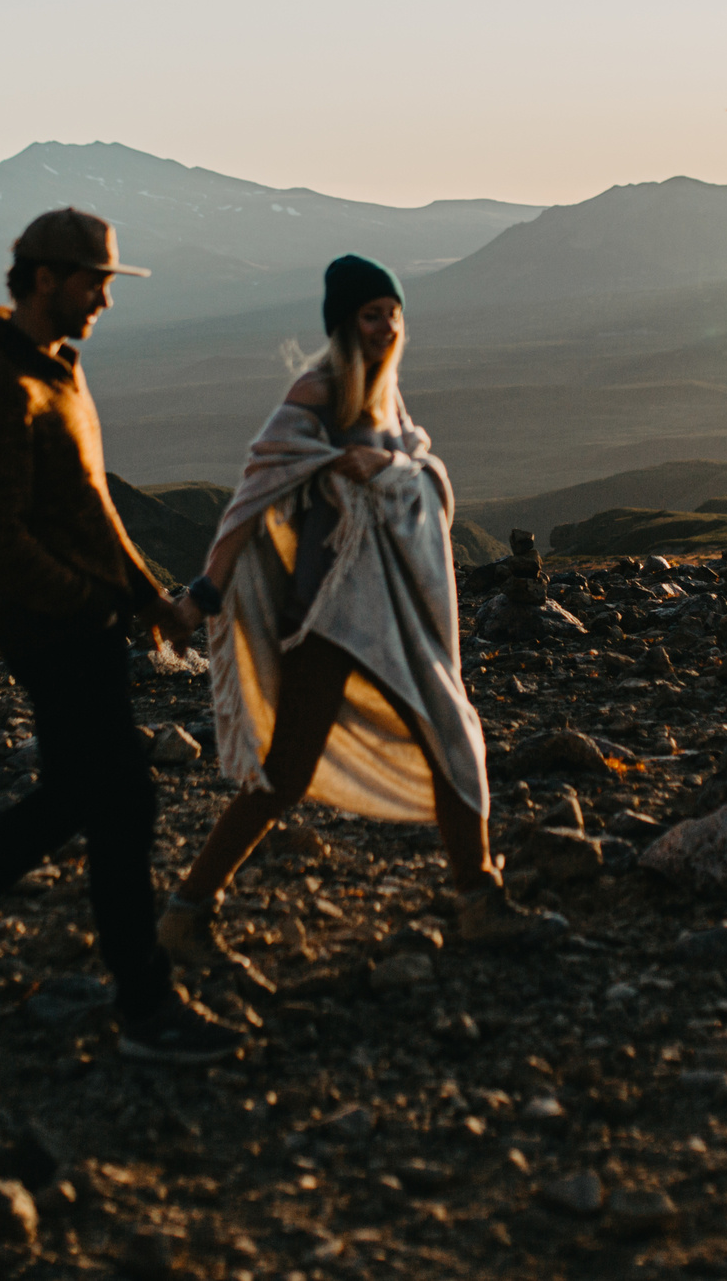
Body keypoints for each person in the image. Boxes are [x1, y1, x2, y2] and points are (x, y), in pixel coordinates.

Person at [0, 208, 242, 1065]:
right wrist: (93, 605)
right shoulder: (4, 387)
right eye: (94, 281)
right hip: (55, 634)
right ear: (45, 280)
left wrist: (151, 600)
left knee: (80, 797)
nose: (106, 298)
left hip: (84, 625)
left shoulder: (58, 372)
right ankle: (145, 1009)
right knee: (121, 800)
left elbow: (93, 511)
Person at [158, 254, 563, 983]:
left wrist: (387, 470)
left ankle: (479, 896)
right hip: (329, 612)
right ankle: (186, 911)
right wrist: (202, 595)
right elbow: (254, 494)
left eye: (393, 313)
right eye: (371, 314)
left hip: (394, 610)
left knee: (451, 732)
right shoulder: (319, 390)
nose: (386, 326)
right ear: (345, 324)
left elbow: (414, 474)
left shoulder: (388, 399)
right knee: (286, 774)